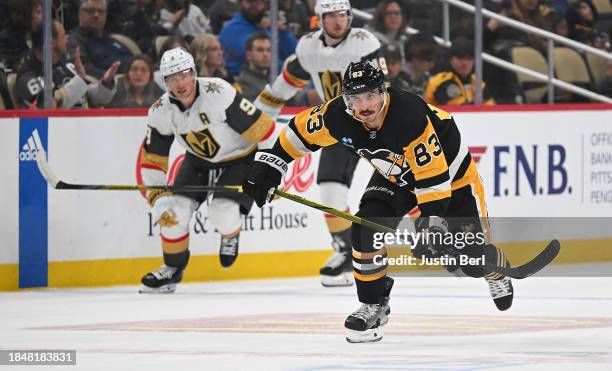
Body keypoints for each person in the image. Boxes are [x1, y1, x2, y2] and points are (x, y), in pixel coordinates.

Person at [242, 61, 514, 343]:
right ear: (346, 99)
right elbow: (299, 131)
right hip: (395, 175)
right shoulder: (337, 114)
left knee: (469, 260)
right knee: (365, 228)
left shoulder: (408, 115)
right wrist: (271, 165)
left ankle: (495, 271)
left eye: (370, 95)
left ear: (383, 92)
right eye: (355, 98)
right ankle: (374, 305)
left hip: (452, 180)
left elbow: (431, 174)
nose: (364, 105)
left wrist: (432, 222)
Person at [254, 0, 386, 288]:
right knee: (329, 190)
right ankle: (347, 251)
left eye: (343, 14)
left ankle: (444, 240)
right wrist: (256, 120)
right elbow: (283, 85)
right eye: (331, 16)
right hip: (338, 124)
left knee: (408, 182)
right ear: (319, 19)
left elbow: (383, 88)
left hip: (378, 122)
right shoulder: (309, 48)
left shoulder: (364, 43)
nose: (338, 21)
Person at [138, 47, 277, 293]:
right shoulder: (160, 112)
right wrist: (158, 199)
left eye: (183, 75)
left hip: (240, 158)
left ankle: (231, 234)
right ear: (165, 82)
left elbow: (264, 130)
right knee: (172, 214)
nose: (180, 84)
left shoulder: (219, 92)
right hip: (198, 161)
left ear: (193, 73)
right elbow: (151, 160)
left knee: (222, 213)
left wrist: (271, 171)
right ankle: (172, 269)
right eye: (172, 78)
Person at [14, 20, 118, 109]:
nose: (67, 39)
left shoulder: (67, 66)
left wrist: (105, 84)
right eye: (63, 35)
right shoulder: (28, 76)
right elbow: (50, 108)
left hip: (85, 127)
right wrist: (80, 79)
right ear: (51, 42)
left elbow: (91, 99)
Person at [218, 0, 297, 76]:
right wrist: (294, 74)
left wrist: (282, 31)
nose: (254, 6)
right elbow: (267, 61)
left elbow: (294, 52)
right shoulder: (233, 30)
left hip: (270, 81)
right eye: (250, 1)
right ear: (240, 2)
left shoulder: (264, 27)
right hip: (245, 84)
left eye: (259, 2)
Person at [68, 0, 134, 79]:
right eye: (90, 11)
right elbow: (83, 68)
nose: (96, 15)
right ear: (80, 14)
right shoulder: (75, 40)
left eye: (101, 11)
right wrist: (110, 78)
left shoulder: (110, 39)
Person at [424, 37, 495, 106]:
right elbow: (459, 111)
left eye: (469, 59)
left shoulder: (476, 81)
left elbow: (491, 106)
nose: (465, 63)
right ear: (451, 59)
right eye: (460, 58)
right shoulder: (442, 81)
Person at [234, 32, 271, 102]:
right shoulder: (242, 86)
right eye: (260, 50)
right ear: (249, 55)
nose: (266, 54)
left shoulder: (276, 78)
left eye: (268, 50)